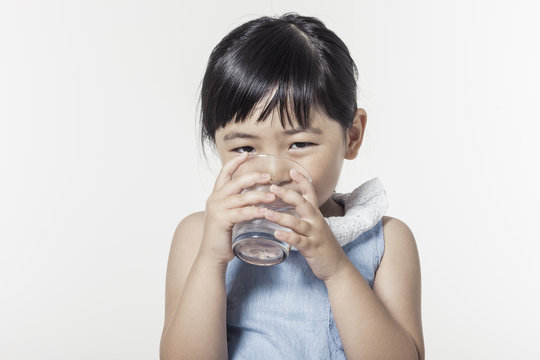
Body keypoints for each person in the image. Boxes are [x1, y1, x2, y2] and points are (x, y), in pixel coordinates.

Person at [160, 13, 424, 360]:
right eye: (244, 148)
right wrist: (212, 258)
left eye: (298, 144)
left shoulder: (385, 241)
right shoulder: (198, 236)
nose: (273, 173)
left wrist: (336, 268)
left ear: (352, 136)